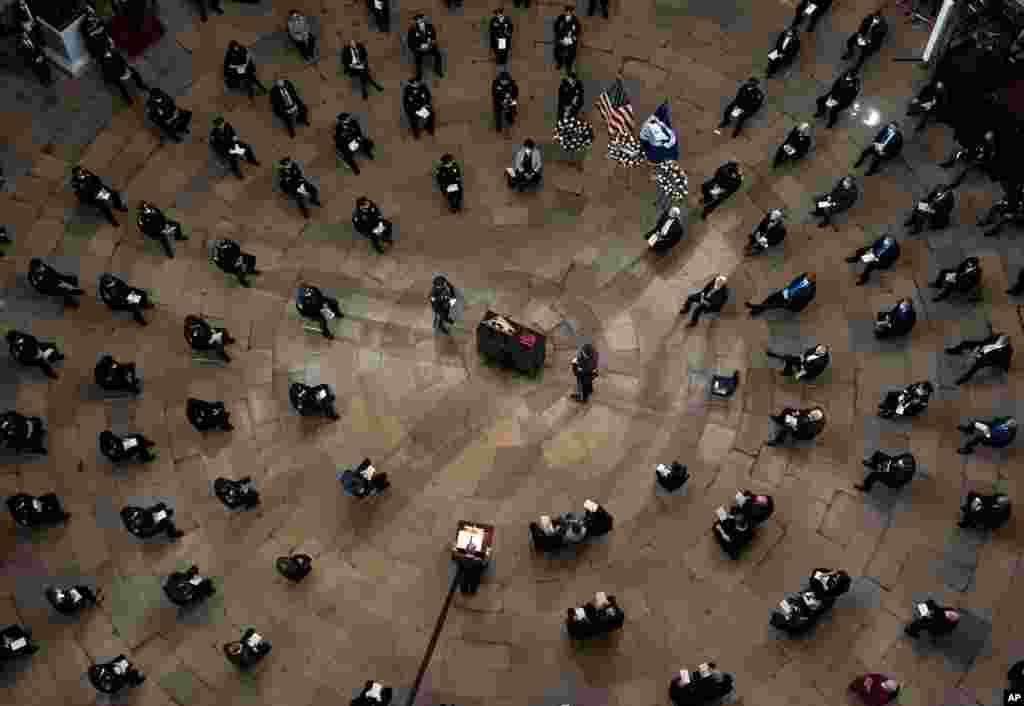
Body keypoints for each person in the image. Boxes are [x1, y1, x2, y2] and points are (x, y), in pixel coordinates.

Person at [946, 329, 1012, 385]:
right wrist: (977, 349)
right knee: (965, 343)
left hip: (991, 358)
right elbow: (985, 342)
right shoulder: (996, 337)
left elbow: (1005, 361)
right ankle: (956, 350)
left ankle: (965, 378)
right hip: (983, 348)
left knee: (977, 365)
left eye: (1000, 346)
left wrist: (1005, 367)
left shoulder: (1007, 351)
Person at [746, 272, 816, 316]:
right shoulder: (804, 276)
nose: (805, 279)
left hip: (792, 303)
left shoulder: (810, 291)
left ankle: (755, 308)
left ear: (811, 281)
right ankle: (758, 309)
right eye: (806, 277)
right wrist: (788, 290)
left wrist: (790, 299)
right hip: (787, 292)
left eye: (808, 279)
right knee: (771, 298)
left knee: (774, 304)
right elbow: (794, 282)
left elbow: (801, 301)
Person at [766, 344, 830, 381]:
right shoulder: (818, 348)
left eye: (818, 351)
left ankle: (788, 371)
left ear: (823, 354)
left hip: (808, 373)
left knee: (791, 360)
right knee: (789, 358)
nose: (816, 350)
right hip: (804, 361)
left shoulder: (821, 362)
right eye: (817, 349)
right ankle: (774, 356)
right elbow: (808, 351)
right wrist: (802, 357)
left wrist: (799, 374)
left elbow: (809, 370)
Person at [408, 14, 443, 80]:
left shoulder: (430, 26)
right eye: (418, 20)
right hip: (419, 49)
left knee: (438, 55)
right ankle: (419, 75)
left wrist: (430, 43)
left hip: (430, 47)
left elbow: (434, 36)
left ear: (424, 19)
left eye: (421, 19)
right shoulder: (412, 30)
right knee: (417, 60)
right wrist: (418, 47)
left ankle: (438, 70)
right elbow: (410, 42)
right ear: (416, 21)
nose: (420, 21)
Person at [554, 6, 581, 71]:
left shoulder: (575, 20)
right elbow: (556, 26)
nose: (568, 13)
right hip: (561, 38)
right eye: (567, 11)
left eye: (570, 12)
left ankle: (569, 65)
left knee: (571, 55)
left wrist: (573, 37)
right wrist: (558, 36)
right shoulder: (561, 18)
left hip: (570, 40)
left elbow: (577, 30)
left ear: (572, 12)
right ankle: (559, 62)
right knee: (557, 52)